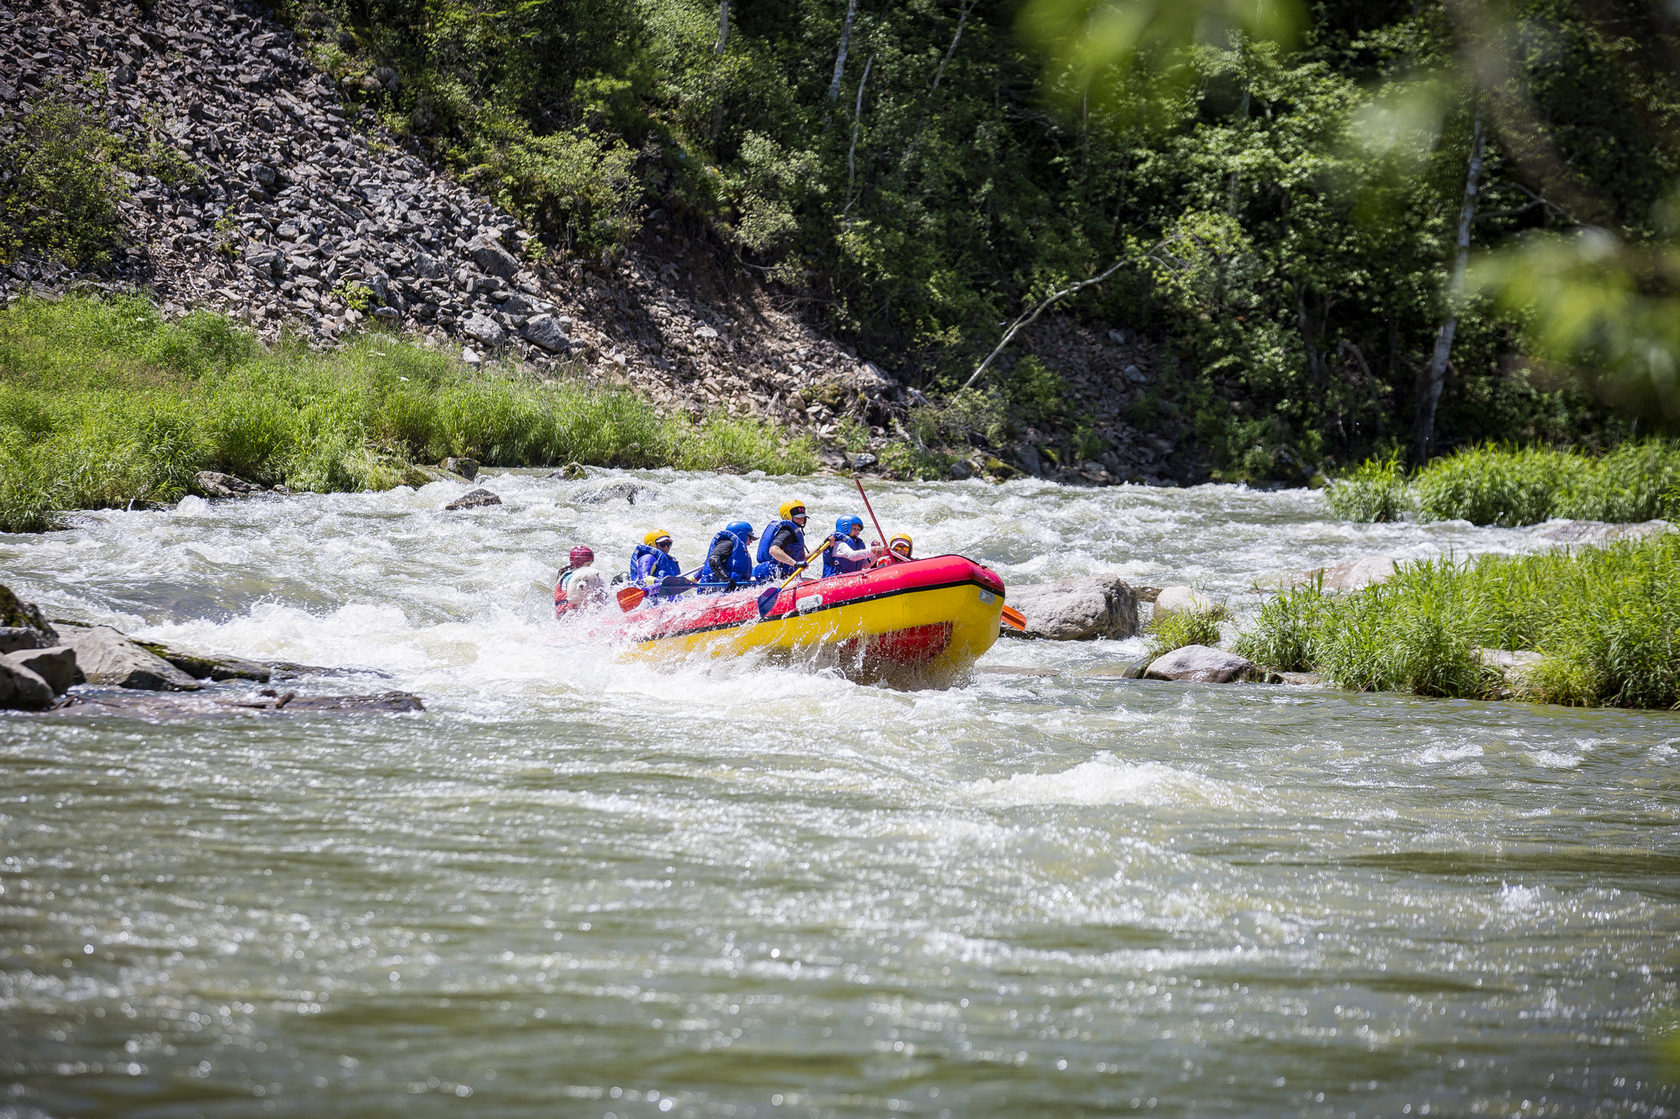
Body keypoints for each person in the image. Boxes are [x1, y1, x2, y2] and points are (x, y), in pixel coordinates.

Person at [753, 499, 809, 581]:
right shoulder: (787, 532)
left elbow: (802, 558)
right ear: (787, 516)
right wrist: (795, 564)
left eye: (803, 517)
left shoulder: (791, 532)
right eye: (797, 517)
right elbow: (773, 550)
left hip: (779, 575)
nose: (801, 519)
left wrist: (823, 545)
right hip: (777, 577)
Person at [699, 521, 757, 591]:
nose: (751, 541)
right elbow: (713, 559)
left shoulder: (736, 549)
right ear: (741, 535)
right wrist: (726, 579)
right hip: (715, 589)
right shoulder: (728, 543)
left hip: (729, 589)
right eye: (750, 537)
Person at [628, 529, 681, 598]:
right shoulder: (648, 558)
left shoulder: (671, 561)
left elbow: (681, 583)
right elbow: (643, 579)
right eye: (662, 544)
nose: (666, 547)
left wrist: (698, 574)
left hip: (669, 600)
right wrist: (660, 582)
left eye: (668, 544)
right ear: (651, 545)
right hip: (651, 601)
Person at [554, 545, 605, 617]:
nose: (589, 567)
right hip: (567, 613)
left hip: (570, 611)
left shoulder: (572, 574)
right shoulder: (572, 577)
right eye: (588, 565)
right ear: (578, 563)